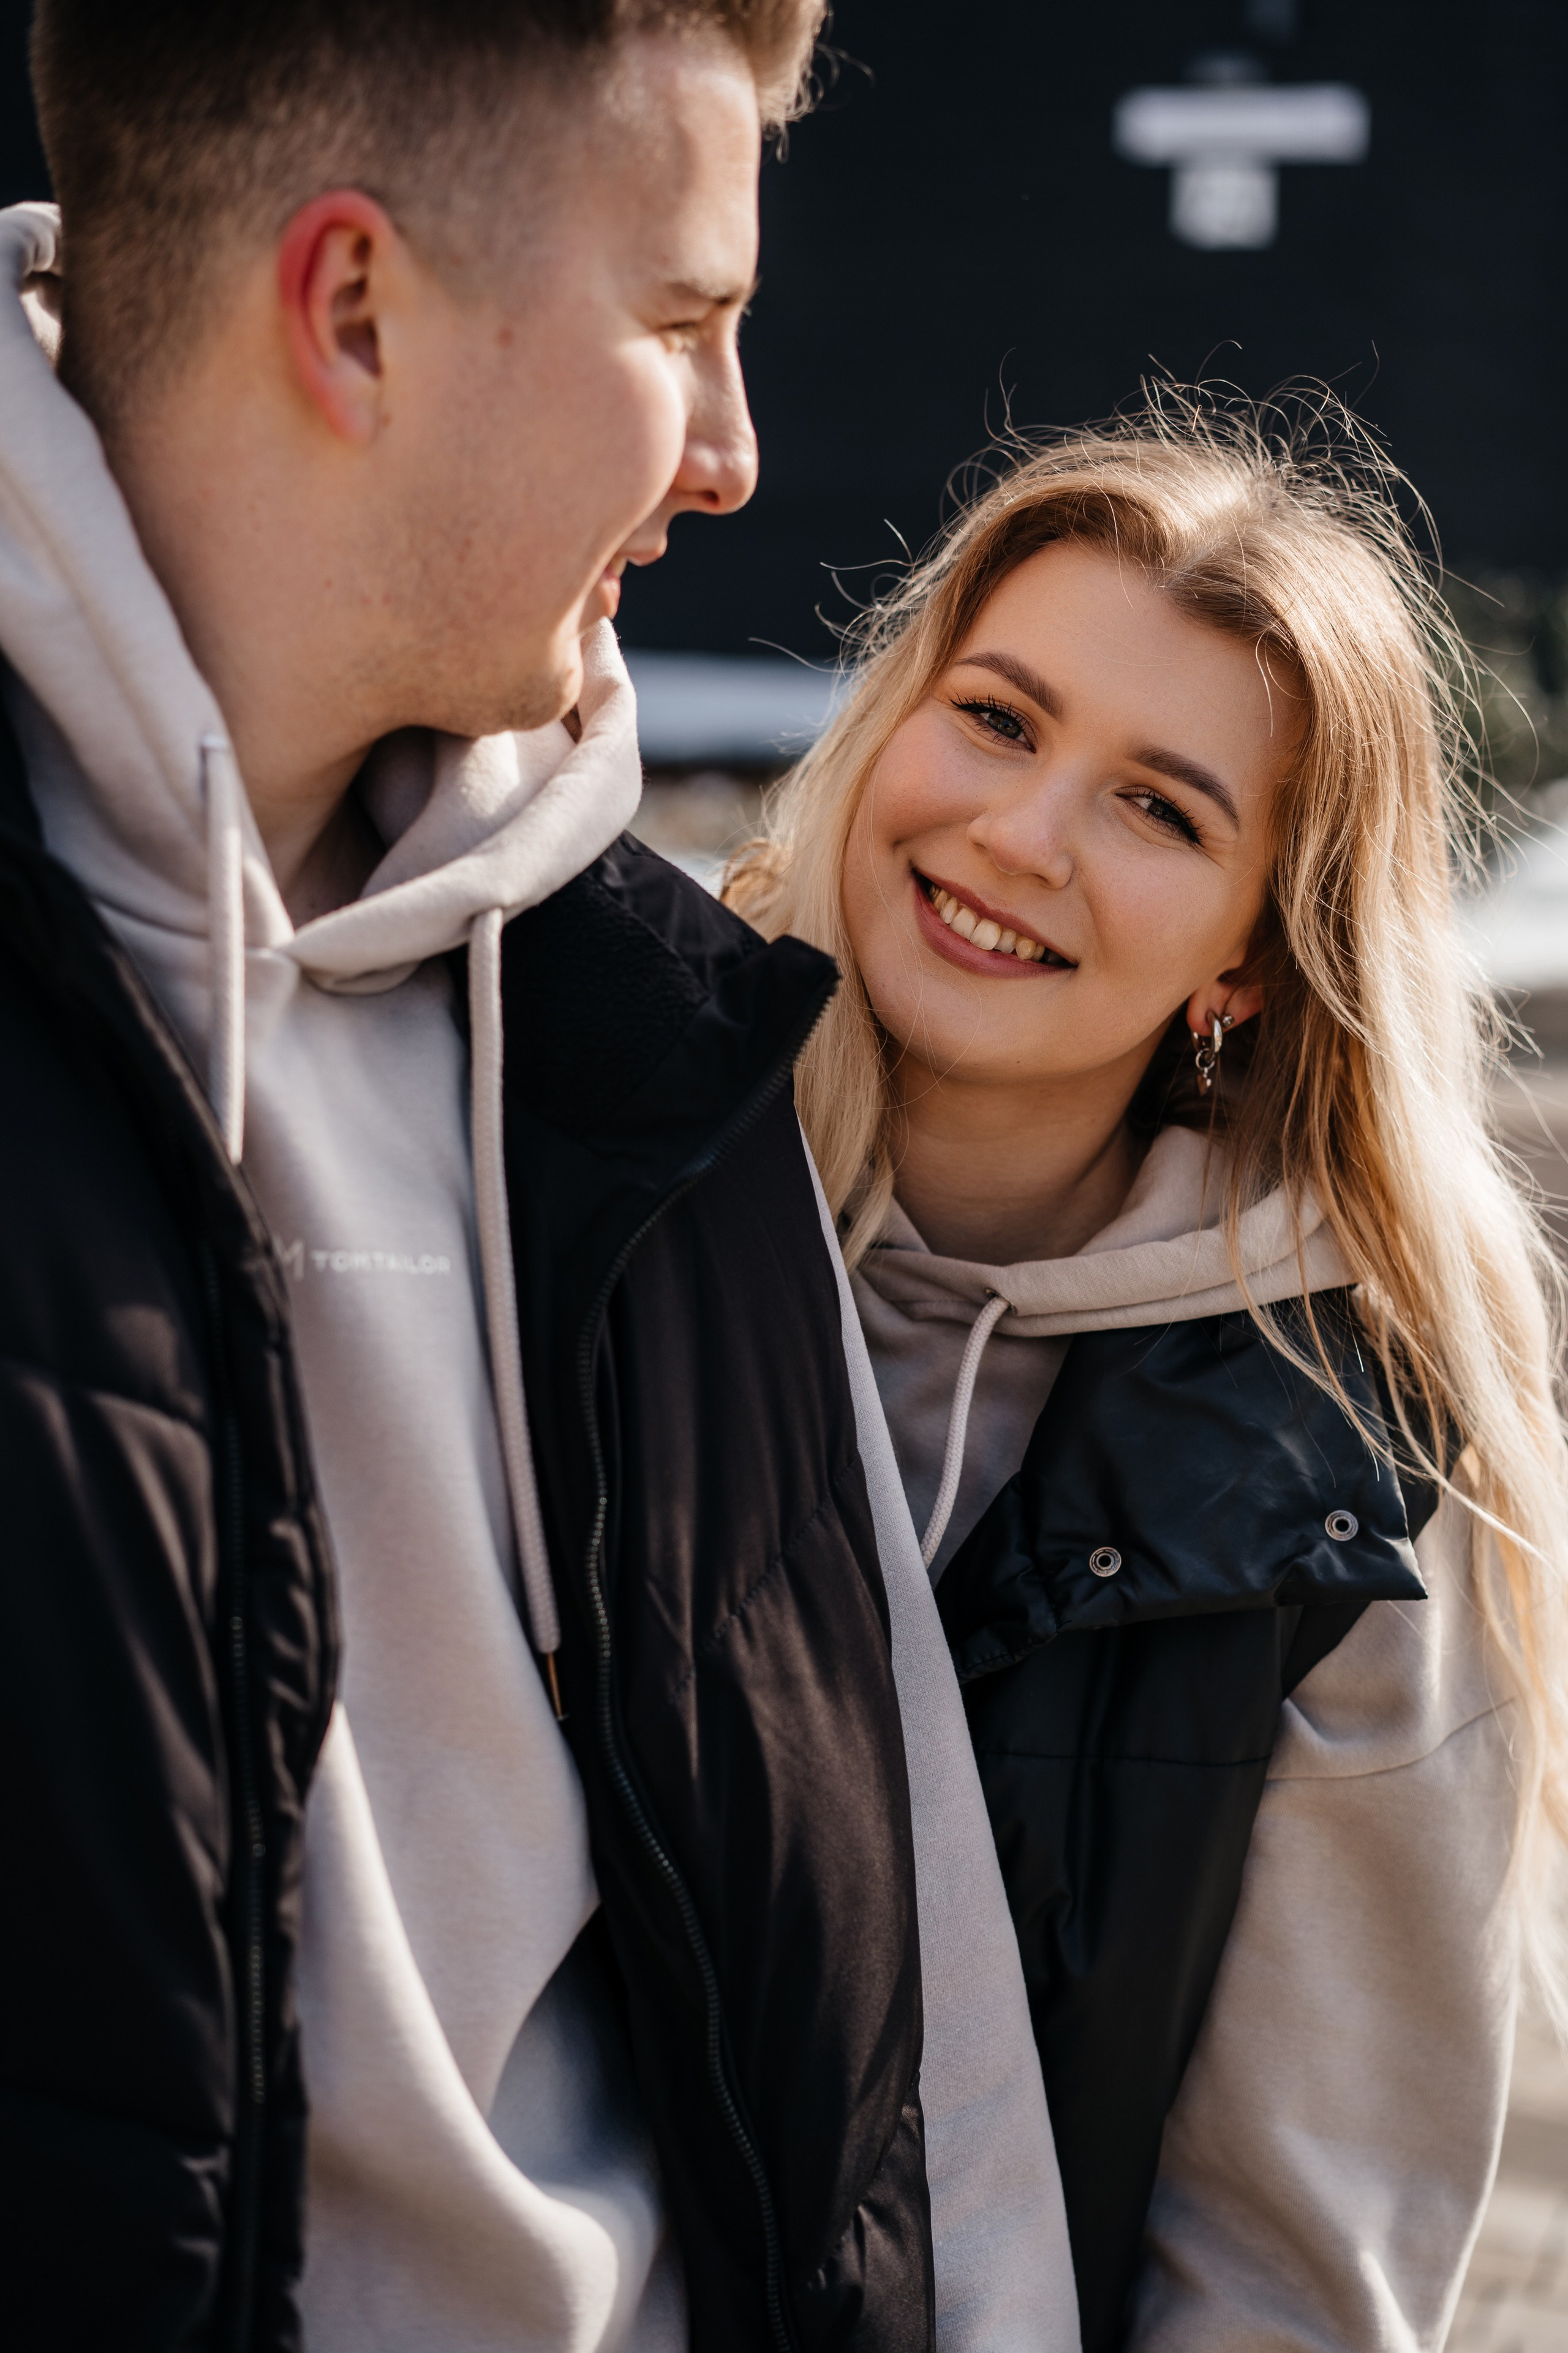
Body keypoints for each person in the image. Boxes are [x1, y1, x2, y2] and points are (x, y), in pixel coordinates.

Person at [0, 5, 1076, 2349]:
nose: (734, 451)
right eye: (683, 322)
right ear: (354, 309)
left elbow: (918, 2064)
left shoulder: (661, 1045)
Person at [726, 397, 1568, 2351]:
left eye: (1160, 810)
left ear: (1249, 961)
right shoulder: (591, 1187)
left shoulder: (1353, 1468)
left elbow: (1294, 2261)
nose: (1019, 838)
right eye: (998, 720)